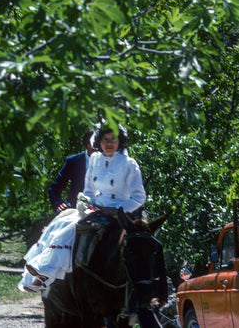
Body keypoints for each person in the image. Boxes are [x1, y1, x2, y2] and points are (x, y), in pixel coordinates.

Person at [18, 124, 146, 292]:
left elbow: (139, 197)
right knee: (65, 224)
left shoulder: (129, 164)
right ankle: (45, 272)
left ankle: (142, 295)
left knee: (141, 245)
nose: (109, 143)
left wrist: (117, 210)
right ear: (99, 142)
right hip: (97, 210)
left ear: (119, 142)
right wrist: (88, 204)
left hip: (121, 213)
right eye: (105, 139)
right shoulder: (95, 160)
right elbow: (89, 191)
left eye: (113, 139)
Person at [48, 130, 95, 213]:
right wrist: (58, 204)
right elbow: (54, 188)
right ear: (89, 146)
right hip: (74, 209)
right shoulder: (73, 161)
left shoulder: (109, 161)